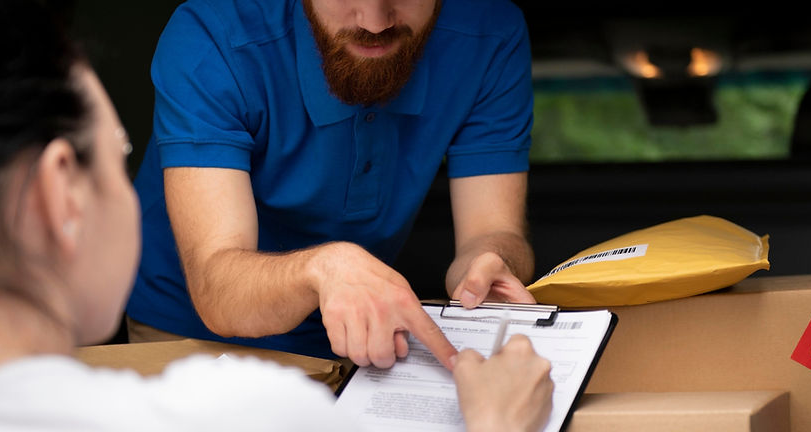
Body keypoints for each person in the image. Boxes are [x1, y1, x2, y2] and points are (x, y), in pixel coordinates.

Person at [0, 1, 554, 432]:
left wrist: (490, 254)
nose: (373, 19)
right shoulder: (258, 430)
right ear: (57, 197)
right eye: (121, 147)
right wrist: (499, 430)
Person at [125, 0, 537, 368]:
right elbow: (219, 290)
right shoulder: (213, 33)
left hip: (357, 331)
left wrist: (489, 263)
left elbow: (492, 231)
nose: (375, 22)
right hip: (190, 331)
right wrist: (324, 267)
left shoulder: (491, 31)